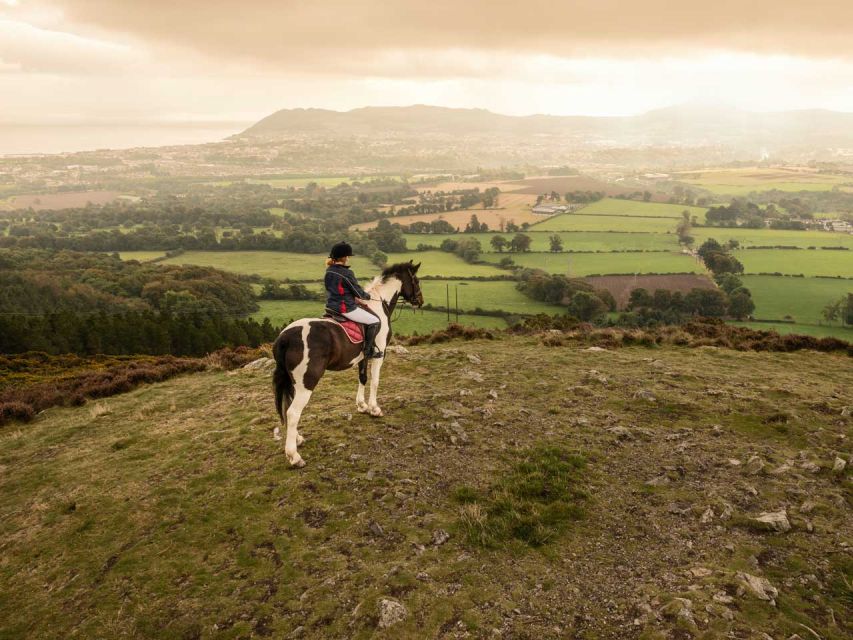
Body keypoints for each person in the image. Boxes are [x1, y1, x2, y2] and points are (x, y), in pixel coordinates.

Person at [324, 242, 383, 359]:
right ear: (345, 258)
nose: (348, 259)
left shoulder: (329, 270)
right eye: (348, 257)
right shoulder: (347, 273)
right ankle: (368, 351)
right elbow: (358, 292)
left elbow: (336, 290)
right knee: (374, 321)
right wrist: (368, 296)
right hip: (345, 308)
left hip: (331, 306)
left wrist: (353, 298)